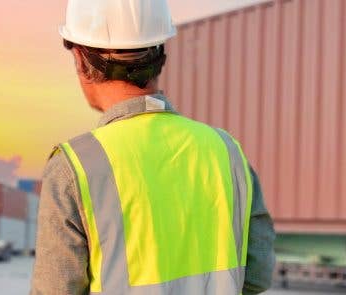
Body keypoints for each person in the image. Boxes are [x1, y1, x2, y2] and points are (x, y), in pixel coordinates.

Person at [29, 0, 275, 294]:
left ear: (81, 60)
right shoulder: (225, 150)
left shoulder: (75, 167)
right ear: (160, 54)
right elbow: (257, 273)